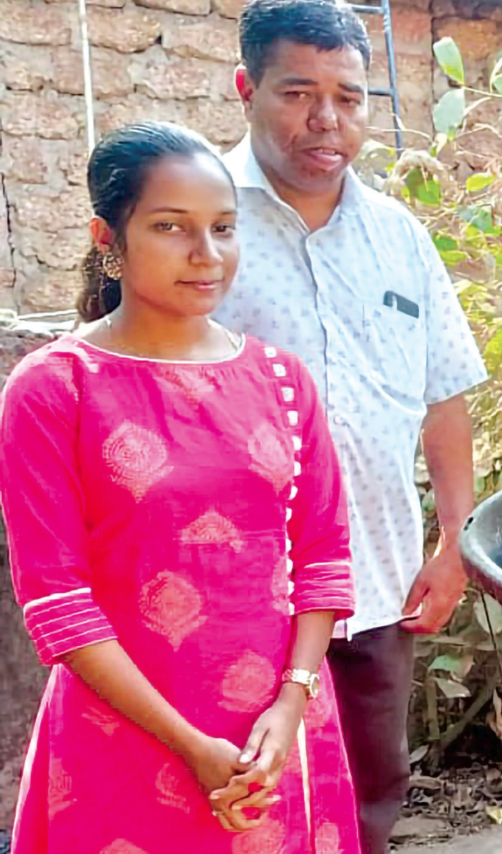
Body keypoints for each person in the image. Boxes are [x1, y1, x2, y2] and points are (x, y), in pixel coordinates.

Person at [0, 121, 360, 851]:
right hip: (123, 736)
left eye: (223, 229)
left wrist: (292, 702)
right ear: (109, 235)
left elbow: (323, 554)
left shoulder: (282, 380)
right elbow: (57, 600)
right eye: (171, 227)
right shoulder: (54, 389)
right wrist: (190, 745)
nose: (207, 255)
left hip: (275, 738)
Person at [217, 0, 489, 851]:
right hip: (237, 588)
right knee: (240, 797)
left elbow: (444, 393)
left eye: (348, 98)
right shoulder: (198, 224)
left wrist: (453, 540)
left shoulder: (400, 237)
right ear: (245, 90)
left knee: (371, 794)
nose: (325, 120)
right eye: (298, 93)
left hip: (373, 579)